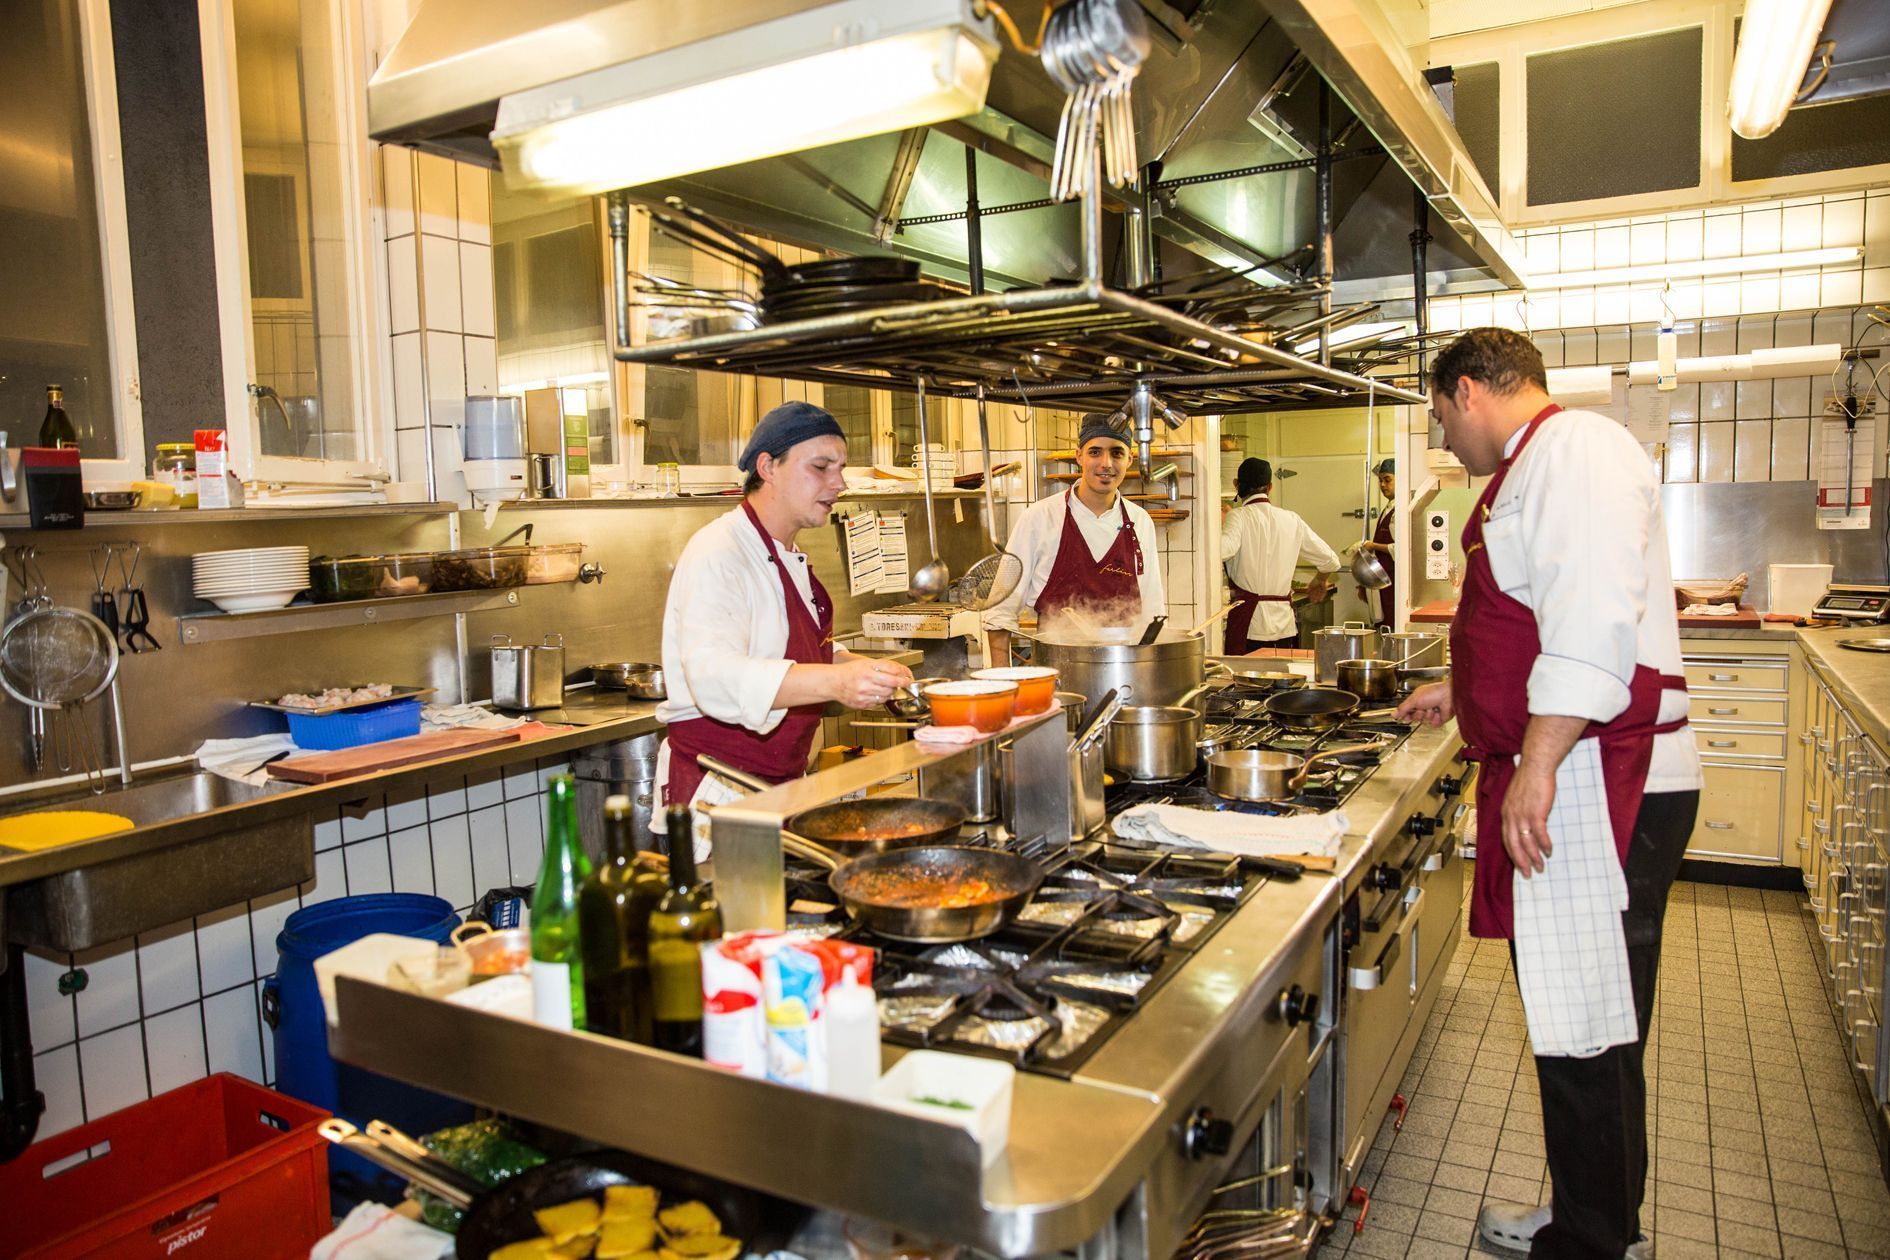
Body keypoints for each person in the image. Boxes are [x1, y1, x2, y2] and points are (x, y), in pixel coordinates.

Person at [1394, 328, 1700, 1260]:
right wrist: (1467, 691)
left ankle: (1594, 1241)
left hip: (1600, 781)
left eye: (1441, 417)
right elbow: (1537, 617)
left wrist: (1535, 763)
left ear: (1470, 390)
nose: (1446, 438)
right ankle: (1594, 1219)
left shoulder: (1578, 449)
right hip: (1577, 770)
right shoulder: (1534, 465)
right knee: (1584, 1020)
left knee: (1586, 1030)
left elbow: (1596, 621)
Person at [655, 401, 915, 833]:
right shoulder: (719, 551)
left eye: (841, 468)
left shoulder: (784, 553)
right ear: (768, 467)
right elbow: (711, 675)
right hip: (719, 793)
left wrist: (866, 668)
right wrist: (836, 682)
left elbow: (797, 649)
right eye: (821, 467)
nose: (839, 483)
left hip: (779, 787)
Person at [985, 416, 1165, 662]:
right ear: (1079, 456)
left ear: (1130, 459)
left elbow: (1152, 610)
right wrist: (1001, 678)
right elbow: (1000, 609)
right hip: (1055, 669)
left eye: (1117, 453)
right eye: (1095, 452)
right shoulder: (1039, 518)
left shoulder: (1140, 520)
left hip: (1123, 668)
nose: (1106, 464)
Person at [1218, 457, 1339, 653]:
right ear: (1270, 487)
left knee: (1244, 674)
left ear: (1236, 485)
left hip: (1249, 625)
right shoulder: (1291, 519)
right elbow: (1330, 561)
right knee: (1281, 673)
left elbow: (1223, 551)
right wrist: (1320, 580)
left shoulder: (1238, 516)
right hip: (1285, 626)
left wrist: (1219, 527)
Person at [1352, 457, 1395, 628]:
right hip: (1382, 582)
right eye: (1380, 480)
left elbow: (1403, 549)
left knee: (1392, 626)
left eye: (1387, 480)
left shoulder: (1401, 510)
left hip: (1393, 583)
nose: (1383, 485)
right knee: (1384, 627)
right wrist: (1365, 584)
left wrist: (1373, 545)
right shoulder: (1388, 509)